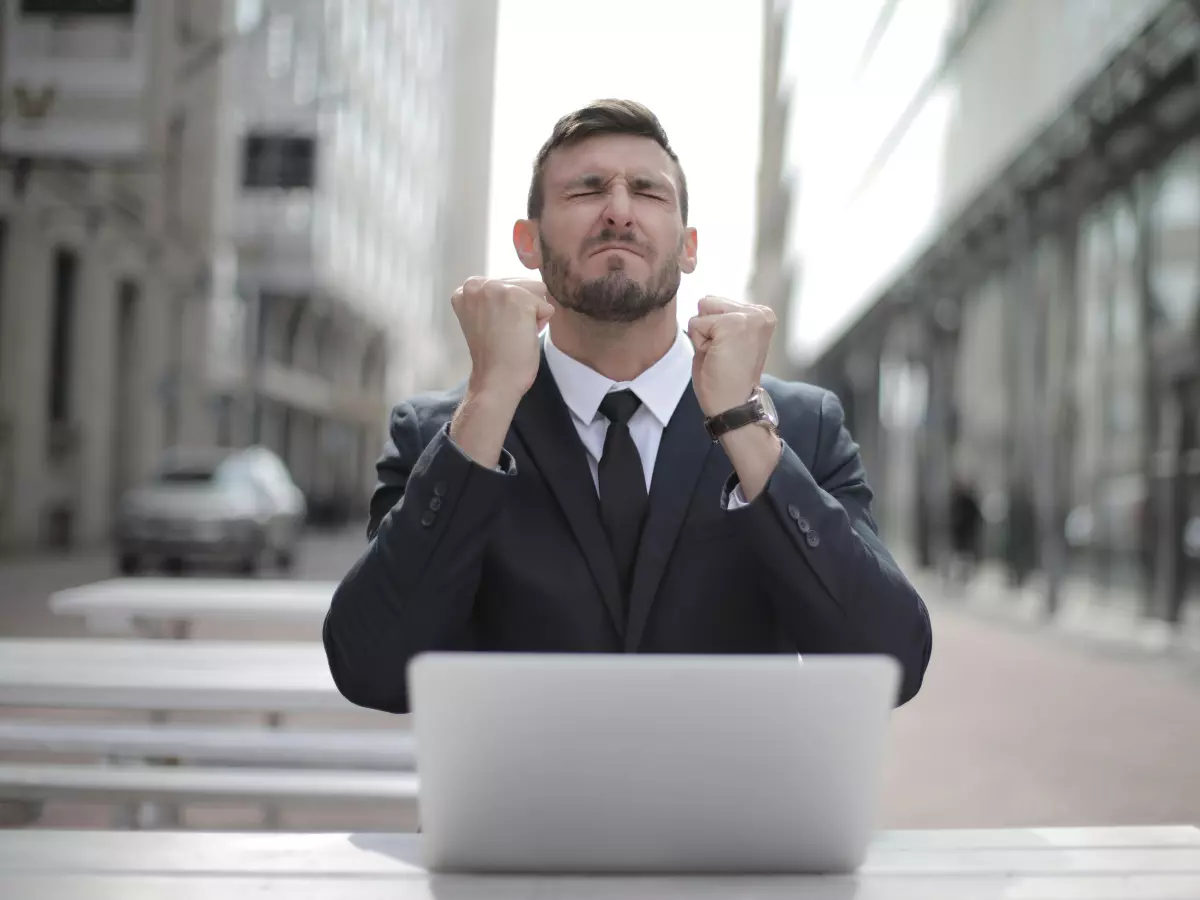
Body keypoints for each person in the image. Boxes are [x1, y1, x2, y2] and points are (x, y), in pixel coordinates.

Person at [323, 99, 932, 714]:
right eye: (586, 191)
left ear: (688, 247)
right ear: (527, 243)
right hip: (515, 813)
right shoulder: (442, 433)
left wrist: (742, 423)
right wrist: (489, 400)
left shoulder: (800, 426)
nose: (618, 212)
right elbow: (371, 668)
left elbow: (890, 664)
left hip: (733, 812)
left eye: (648, 192)